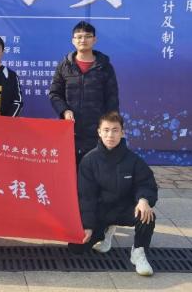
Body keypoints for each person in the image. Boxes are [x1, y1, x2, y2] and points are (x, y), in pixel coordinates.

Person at [69, 111, 158, 277]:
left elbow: (146, 183)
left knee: (147, 215)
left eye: (115, 130)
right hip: (101, 211)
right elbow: (86, 196)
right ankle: (105, 231)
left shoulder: (133, 160)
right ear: (99, 132)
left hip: (125, 208)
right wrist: (87, 226)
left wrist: (143, 199)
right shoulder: (89, 161)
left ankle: (139, 252)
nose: (110, 135)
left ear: (122, 133)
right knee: (76, 248)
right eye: (106, 130)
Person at [49, 21, 119, 167]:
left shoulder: (104, 66)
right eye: (79, 37)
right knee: (70, 171)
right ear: (73, 40)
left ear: (94, 40)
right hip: (70, 130)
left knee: (96, 171)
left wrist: (109, 127)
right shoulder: (64, 66)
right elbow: (55, 94)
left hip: (96, 131)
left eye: (87, 36)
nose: (83, 40)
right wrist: (64, 110)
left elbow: (112, 98)